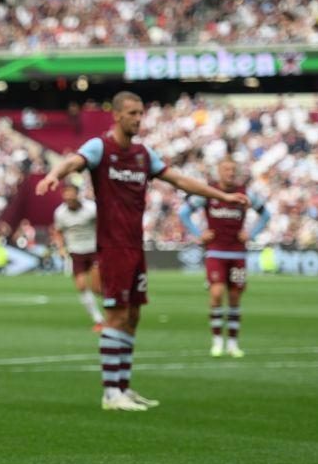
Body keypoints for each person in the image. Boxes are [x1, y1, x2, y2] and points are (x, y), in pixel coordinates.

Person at [36, 92, 248, 412]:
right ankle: (110, 393)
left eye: (141, 113)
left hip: (136, 246)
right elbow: (74, 161)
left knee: (133, 316)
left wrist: (223, 196)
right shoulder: (100, 147)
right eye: (133, 113)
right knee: (116, 316)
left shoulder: (143, 154)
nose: (138, 119)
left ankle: (123, 386)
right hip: (112, 247)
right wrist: (55, 174)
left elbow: (178, 179)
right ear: (117, 115)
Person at [178, 157, 269, 358]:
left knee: (235, 297)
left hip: (237, 253)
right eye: (226, 169)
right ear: (218, 172)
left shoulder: (245, 194)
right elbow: (183, 213)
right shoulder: (208, 194)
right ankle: (217, 341)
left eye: (232, 170)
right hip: (216, 252)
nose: (230, 173)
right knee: (217, 293)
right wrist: (198, 234)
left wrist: (251, 234)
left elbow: (266, 215)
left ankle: (233, 344)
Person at [51, 183, 104, 331]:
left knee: (97, 288)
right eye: (65, 194)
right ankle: (98, 319)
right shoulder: (60, 213)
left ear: (77, 194)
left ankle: (115, 308)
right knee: (81, 286)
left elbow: (104, 224)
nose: (68, 197)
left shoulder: (91, 208)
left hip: (94, 250)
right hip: (76, 252)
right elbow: (58, 231)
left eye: (71, 193)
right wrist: (61, 248)